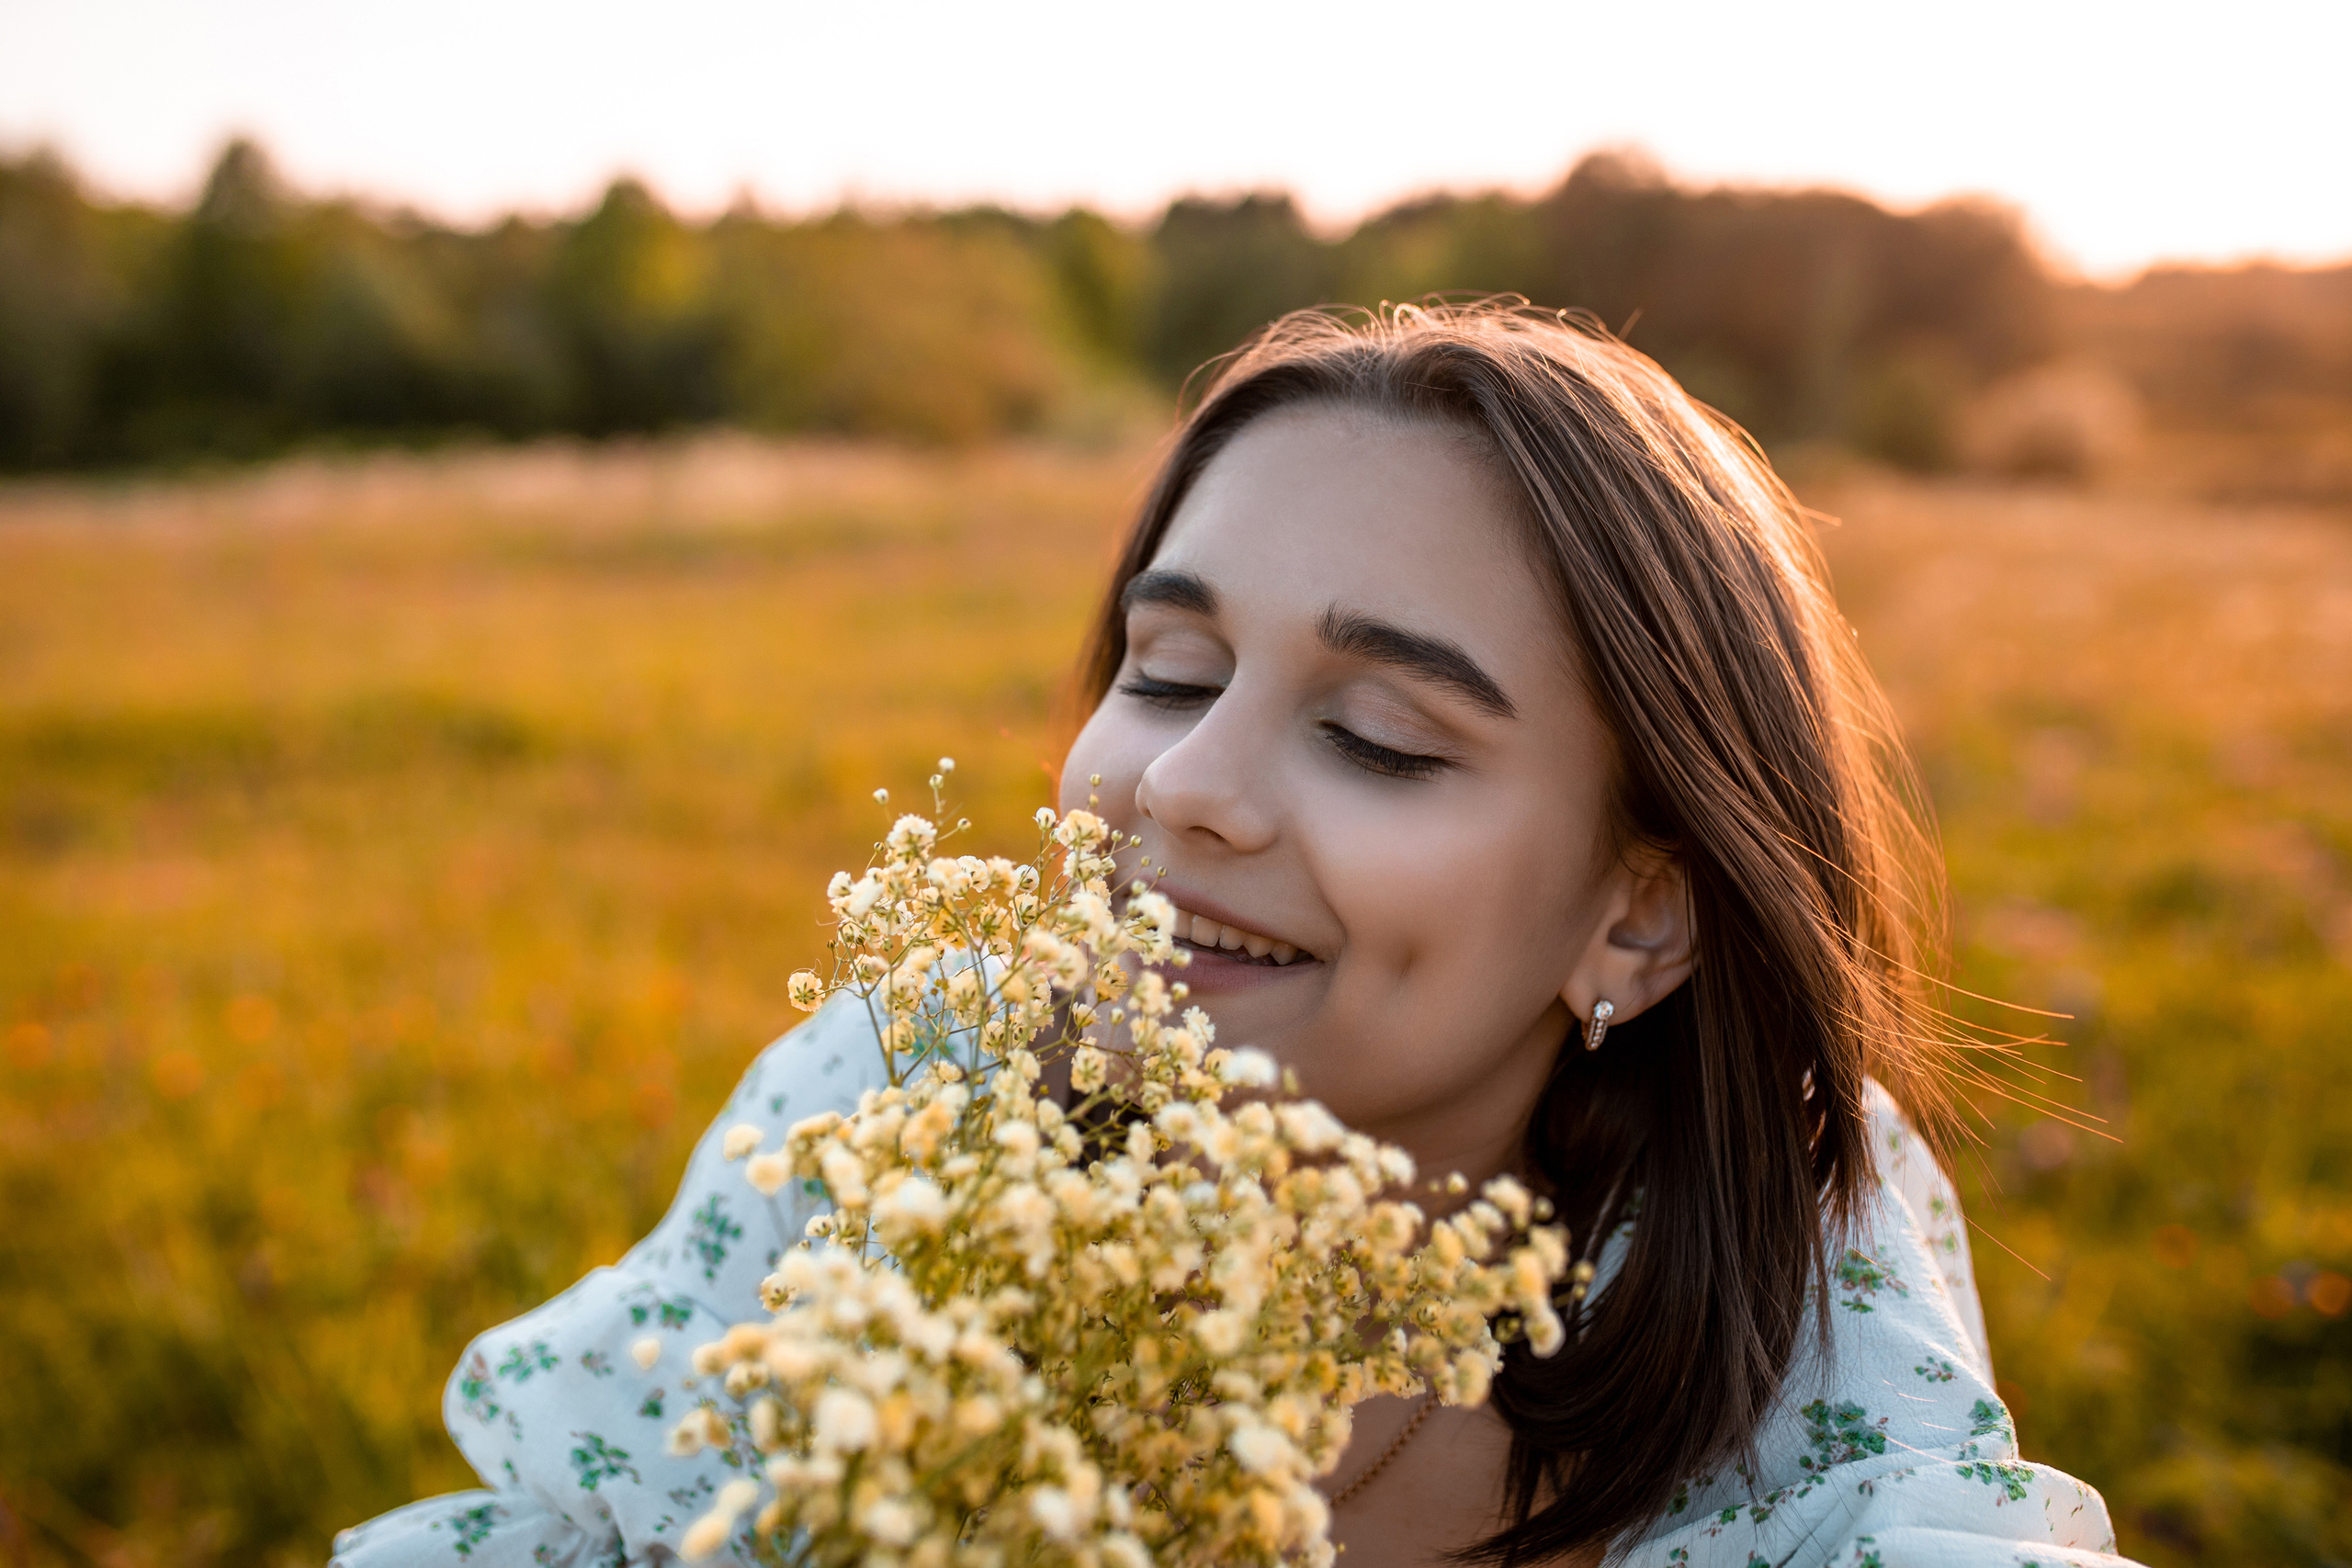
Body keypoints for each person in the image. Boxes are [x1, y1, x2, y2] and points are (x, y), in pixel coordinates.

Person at [334, 303, 2136, 1567]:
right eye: (1164, 667)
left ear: (1639, 909)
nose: (1183, 783)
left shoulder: (1791, 1258)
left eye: (1380, 735)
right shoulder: (899, 1103)